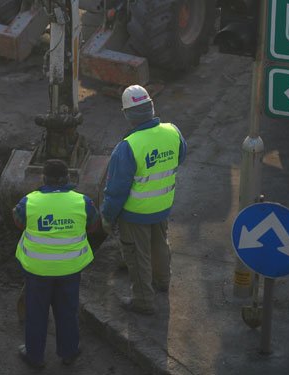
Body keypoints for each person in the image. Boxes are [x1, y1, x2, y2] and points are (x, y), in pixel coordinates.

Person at [101, 85, 187, 315]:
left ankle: (143, 301)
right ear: (151, 107)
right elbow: (181, 157)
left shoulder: (127, 147)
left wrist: (107, 217)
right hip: (162, 206)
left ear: (127, 114)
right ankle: (162, 282)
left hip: (135, 213)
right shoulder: (173, 132)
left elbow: (116, 191)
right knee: (160, 245)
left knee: (138, 257)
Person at [13, 159, 101, 369]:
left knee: (36, 313)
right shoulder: (83, 202)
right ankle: (69, 351)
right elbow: (94, 226)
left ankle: (34, 356)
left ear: (44, 178)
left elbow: (18, 222)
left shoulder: (29, 201)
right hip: (70, 269)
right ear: (68, 178)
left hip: (37, 270)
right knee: (67, 310)